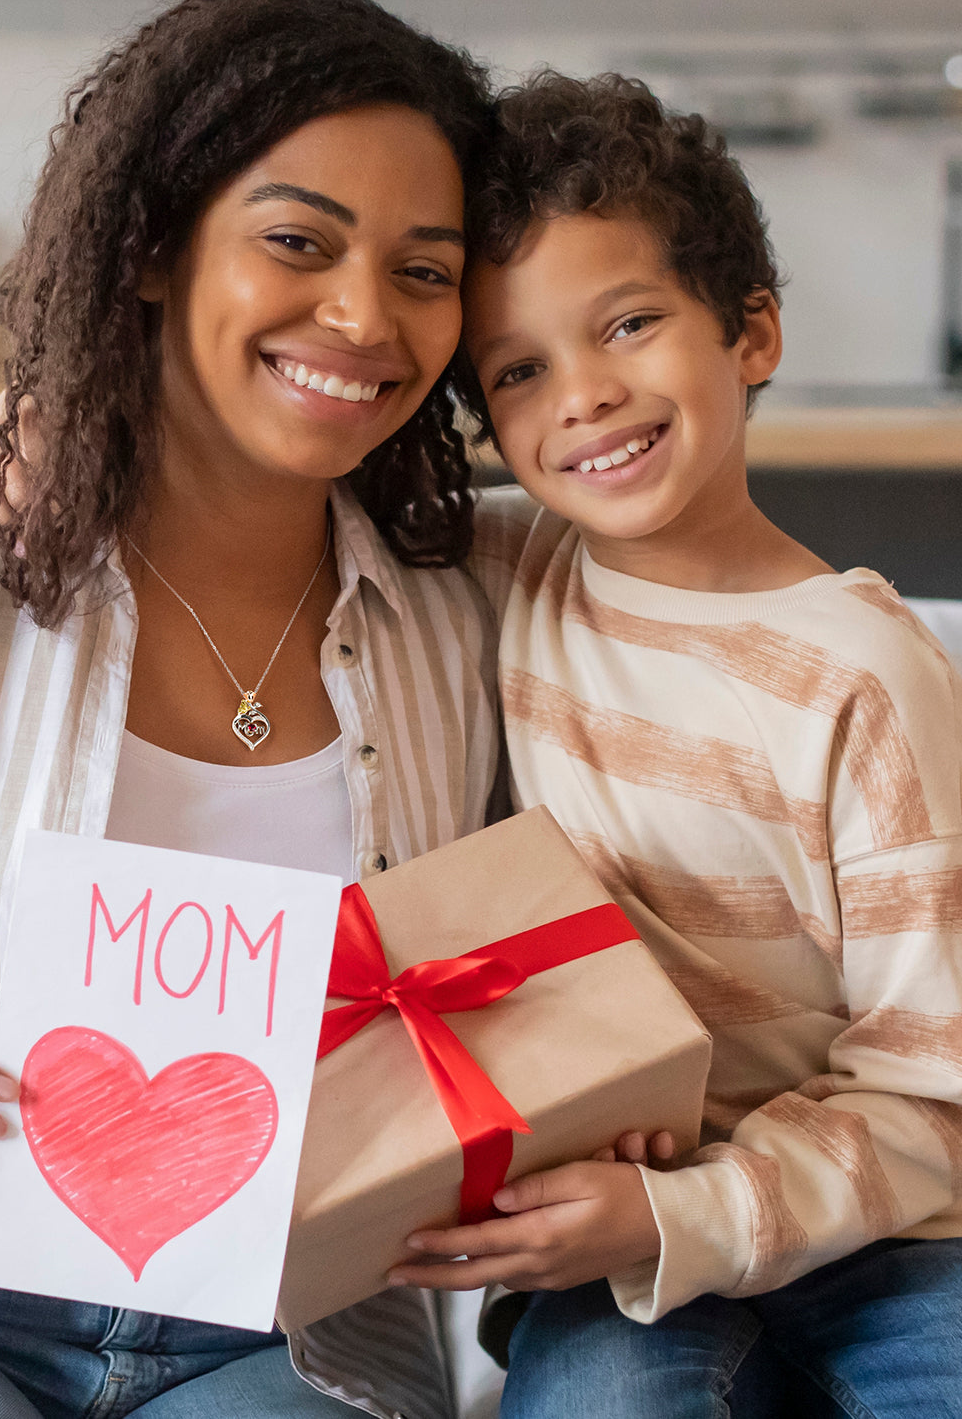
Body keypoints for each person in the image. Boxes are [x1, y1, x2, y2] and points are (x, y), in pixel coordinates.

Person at [0, 0, 508, 1419]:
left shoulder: (463, 615)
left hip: (287, 1329)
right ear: (155, 247)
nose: (362, 316)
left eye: (426, 270)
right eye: (298, 241)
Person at [378, 73, 962, 1416]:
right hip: (602, 1239)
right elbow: (258, 497)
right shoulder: (499, 570)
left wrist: (679, 1216)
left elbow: (936, 1092)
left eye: (628, 324)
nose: (581, 398)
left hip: (893, 1236)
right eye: (517, 371)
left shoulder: (866, 673)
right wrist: (38, 426)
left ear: (750, 331)